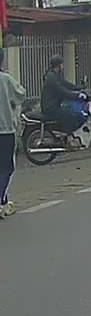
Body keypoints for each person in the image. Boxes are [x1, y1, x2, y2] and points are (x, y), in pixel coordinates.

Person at [0, 53, 26, 218]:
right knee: (6, 168)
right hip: (4, 130)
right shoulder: (6, 79)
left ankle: (4, 201)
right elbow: (20, 94)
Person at [41, 55, 86, 134]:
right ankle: (68, 136)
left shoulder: (55, 76)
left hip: (54, 105)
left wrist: (80, 87)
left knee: (71, 110)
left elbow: (67, 85)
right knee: (71, 115)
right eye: (62, 64)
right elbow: (63, 91)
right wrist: (77, 96)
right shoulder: (51, 78)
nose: (63, 67)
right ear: (58, 65)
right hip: (50, 108)